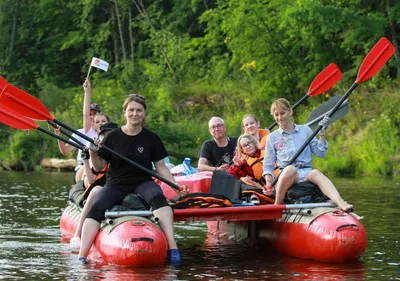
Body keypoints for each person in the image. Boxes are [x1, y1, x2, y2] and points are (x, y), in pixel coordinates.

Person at [78, 94, 186, 265]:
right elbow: (99, 167)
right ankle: (82, 255)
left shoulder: (152, 138)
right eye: (131, 110)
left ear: (144, 113)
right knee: (96, 207)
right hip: (116, 183)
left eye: (138, 110)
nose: (134, 113)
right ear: (125, 112)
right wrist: (92, 151)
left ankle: (173, 248)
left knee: (159, 200)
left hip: (142, 182)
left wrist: (176, 186)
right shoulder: (112, 137)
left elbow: (161, 167)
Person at [262, 98, 353, 211]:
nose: (279, 117)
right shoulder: (272, 137)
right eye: (276, 115)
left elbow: (321, 153)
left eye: (283, 113)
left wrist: (322, 135)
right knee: (290, 169)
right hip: (287, 175)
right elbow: (268, 165)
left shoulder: (306, 130)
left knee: (315, 173)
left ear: (290, 112)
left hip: (305, 173)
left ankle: (341, 202)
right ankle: (277, 206)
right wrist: (269, 183)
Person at [69, 122, 118, 251]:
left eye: (110, 136)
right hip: (101, 188)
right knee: (96, 190)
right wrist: (88, 157)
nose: (106, 139)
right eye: (104, 137)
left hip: (120, 187)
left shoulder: (123, 150)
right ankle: (77, 234)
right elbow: (91, 178)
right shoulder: (98, 154)